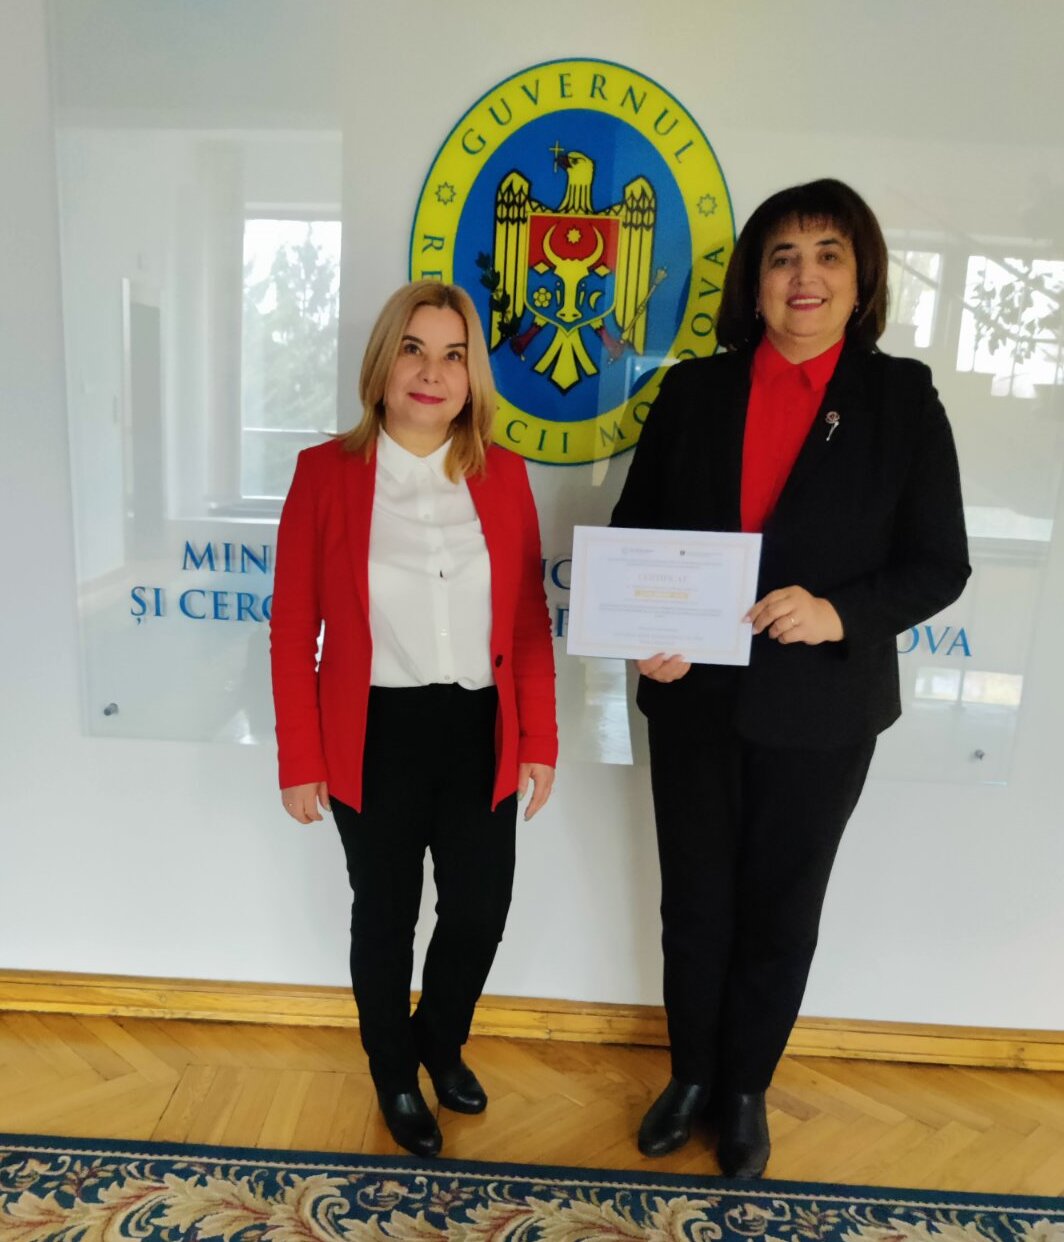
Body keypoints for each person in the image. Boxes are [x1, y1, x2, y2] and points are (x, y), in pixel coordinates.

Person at [611, 179, 969, 1178]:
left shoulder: (902, 400)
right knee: (693, 904)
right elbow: (635, 536)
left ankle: (743, 1091)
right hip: (693, 699)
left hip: (823, 709)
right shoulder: (692, 392)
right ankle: (689, 1076)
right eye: (782, 256)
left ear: (861, 281)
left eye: (827, 254)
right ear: (754, 284)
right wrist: (647, 630)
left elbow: (938, 564)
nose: (803, 276)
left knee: (780, 908)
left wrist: (837, 613)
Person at [270, 280, 557, 1158]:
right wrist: (300, 759)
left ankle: (440, 1040)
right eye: (414, 350)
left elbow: (525, 621)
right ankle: (393, 1071)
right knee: (386, 916)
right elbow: (293, 629)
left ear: (472, 377)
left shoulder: (505, 475)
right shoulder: (325, 474)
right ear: (383, 364)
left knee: (479, 910)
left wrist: (540, 740)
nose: (433, 373)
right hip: (374, 732)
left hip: (481, 729)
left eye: (454, 355)